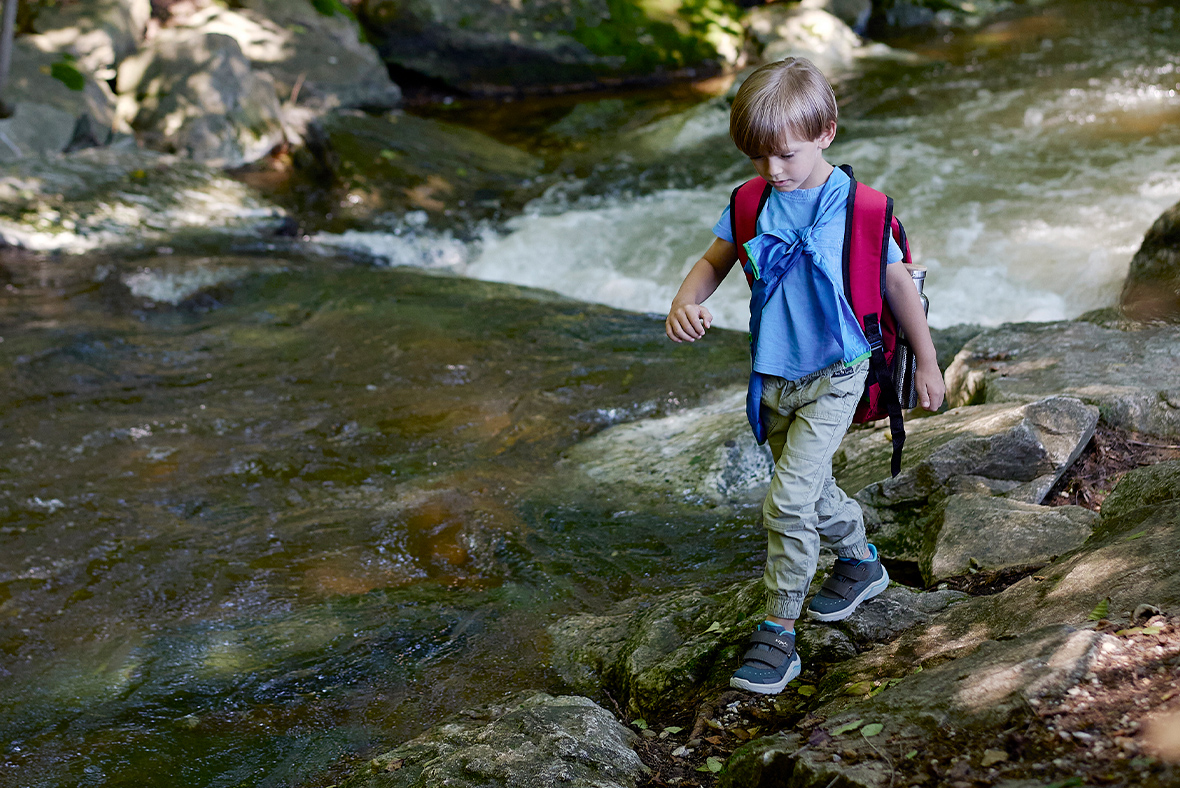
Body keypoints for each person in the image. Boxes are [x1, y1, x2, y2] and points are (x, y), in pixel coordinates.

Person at [665, 57, 945, 695]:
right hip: (773, 377)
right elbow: (713, 261)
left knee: (787, 502)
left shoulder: (862, 210)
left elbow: (899, 284)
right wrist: (686, 301)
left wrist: (927, 363)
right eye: (758, 158)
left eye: (785, 155)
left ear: (826, 131)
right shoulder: (750, 203)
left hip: (839, 371)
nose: (774, 171)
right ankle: (863, 562)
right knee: (811, 491)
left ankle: (778, 632)